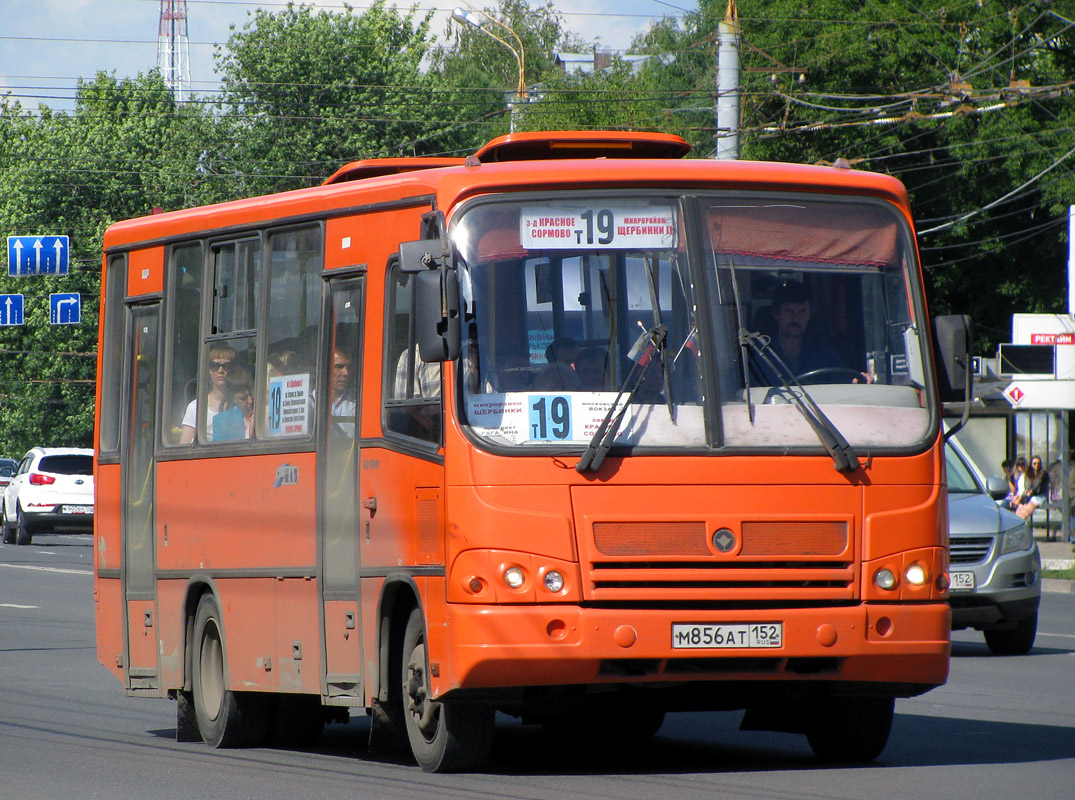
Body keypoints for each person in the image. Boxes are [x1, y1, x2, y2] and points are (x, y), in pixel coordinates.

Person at [755, 279, 845, 384]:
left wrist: (858, 381)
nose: (796, 318)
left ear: (809, 315)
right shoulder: (760, 354)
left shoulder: (824, 353)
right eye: (789, 311)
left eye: (802, 311)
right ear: (776, 314)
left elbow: (844, 384)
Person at [179, 345, 237, 443]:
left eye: (227, 366)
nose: (220, 371)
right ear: (209, 370)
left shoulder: (242, 404)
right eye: (215, 366)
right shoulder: (196, 407)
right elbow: (184, 447)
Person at [212, 365, 254, 441]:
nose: (250, 401)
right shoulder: (221, 422)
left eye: (252, 395)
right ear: (233, 398)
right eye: (243, 398)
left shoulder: (268, 415)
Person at [1016, 455, 1050, 520]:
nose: (1036, 465)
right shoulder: (1029, 473)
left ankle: (1021, 525)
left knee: (1025, 512)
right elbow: (1027, 483)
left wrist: (1031, 491)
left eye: (1038, 463)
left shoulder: (1043, 473)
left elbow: (1037, 484)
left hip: (1039, 495)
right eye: (1034, 463)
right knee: (1019, 510)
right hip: (1030, 496)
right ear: (1031, 464)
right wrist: (1027, 491)